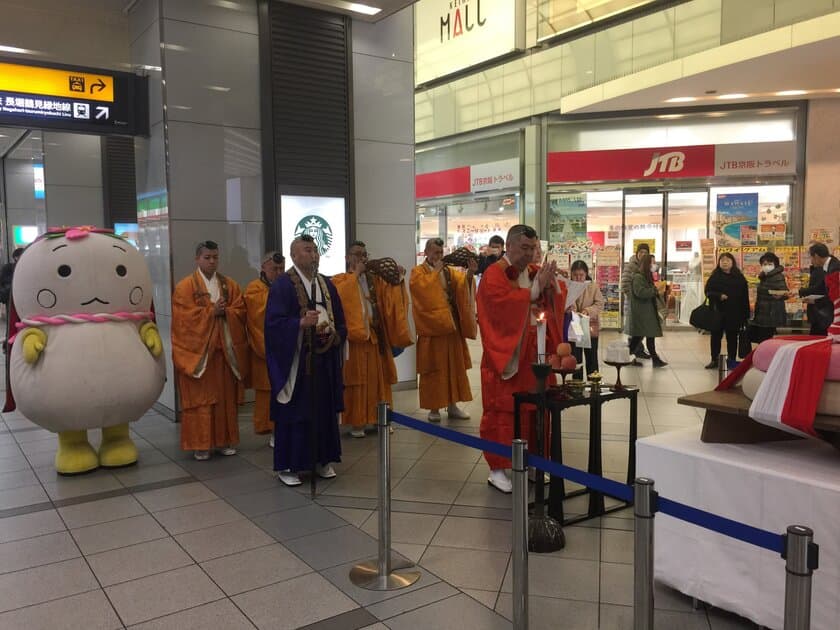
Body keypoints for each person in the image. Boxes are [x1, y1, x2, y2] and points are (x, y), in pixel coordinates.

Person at [477, 224, 568, 493]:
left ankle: (531, 462)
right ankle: (497, 469)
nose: (530, 254)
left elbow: (550, 304)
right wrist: (532, 292)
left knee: (534, 409)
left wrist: (551, 289)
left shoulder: (533, 273)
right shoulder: (494, 274)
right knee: (503, 410)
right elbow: (496, 307)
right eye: (525, 248)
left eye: (534, 248)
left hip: (533, 351)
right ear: (510, 245)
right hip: (507, 354)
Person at [264, 235, 346, 486]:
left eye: (315, 250)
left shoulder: (326, 285)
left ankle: (322, 460)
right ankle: (288, 466)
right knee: (296, 412)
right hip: (297, 363)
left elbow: (341, 321)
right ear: (294, 255)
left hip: (323, 359)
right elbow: (272, 325)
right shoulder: (282, 286)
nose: (313, 254)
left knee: (323, 410)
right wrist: (299, 323)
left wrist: (333, 333)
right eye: (307, 250)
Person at [172, 241, 249, 460]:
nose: (212, 261)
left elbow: (240, 311)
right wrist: (210, 313)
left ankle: (225, 441)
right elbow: (183, 320)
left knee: (224, 400)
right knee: (201, 401)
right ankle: (201, 444)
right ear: (197, 259)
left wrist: (227, 313)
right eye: (207, 257)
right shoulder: (185, 286)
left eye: (215, 257)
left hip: (224, 354)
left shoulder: (229, 284)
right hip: (199, 356)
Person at [332, 241, 412, 438]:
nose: (362, 258)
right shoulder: (340, 280)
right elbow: (340, 297)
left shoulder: (373, 280)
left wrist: (396, 278)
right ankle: (357, 423)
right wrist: (355, 276)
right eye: (357, 254)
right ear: (347, 258)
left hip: (375, 339)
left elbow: (389, 301)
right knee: (356, 383)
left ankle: (379, 419)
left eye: (364, 254)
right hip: (355, 341)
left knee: (379, 382)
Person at [409, 238, 477, 422]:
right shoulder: (418, 272)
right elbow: (420, 291)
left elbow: (461, 286)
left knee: (454, 367)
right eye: (435, 253)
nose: (439, 256)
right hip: (431, 328)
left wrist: (470, 274)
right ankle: (434, 408)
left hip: (450, 325)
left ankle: (453, 405)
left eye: (441, 252)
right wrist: (436, 272)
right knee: (433, 369)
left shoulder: (447, 271)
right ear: (426, 252)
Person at [244, 251, 285, 448]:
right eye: (273, 269)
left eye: (281, 269)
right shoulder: (254, 288)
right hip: (264, 348)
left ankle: (282, 428)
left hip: (285, 348)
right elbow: (256, 315)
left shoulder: (286, 286)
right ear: (263, 268)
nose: (278, 272)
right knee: (266, 391)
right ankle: (269, 429)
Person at [704, 252, 750, 369]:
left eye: (727, 260)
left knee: (732, 337)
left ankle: (732, 360)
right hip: (718, 312)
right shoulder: (714, 277)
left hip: (735, 313)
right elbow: (708, 292)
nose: (724, 262)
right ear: (718, 263)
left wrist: (746, 315)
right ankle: (714, 359)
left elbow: (745, 297)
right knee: (715, 337)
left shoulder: (739, 278)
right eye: (722, 260)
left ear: (732, 262)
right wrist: (719, 295)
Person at [627, 254, 668, 368]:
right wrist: (655, 290)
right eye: (652, 262)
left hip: (647, 311)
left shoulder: (646, 276)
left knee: (646, 336)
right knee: (640, 336)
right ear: (646, 264)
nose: (654, 265)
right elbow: (640, 292)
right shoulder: (638, 277)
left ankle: (654, 359)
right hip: (642, 312)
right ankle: (627, 357)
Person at [569, 260, 604, 378]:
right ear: (571, 274)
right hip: (575, 325)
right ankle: (577, 385)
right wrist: (572, 309)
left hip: (590, 325)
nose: (578, 278)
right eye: (575, 275)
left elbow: (599, 303)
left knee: (592, 356)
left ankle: (594, 384)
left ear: (586, 274)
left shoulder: (593, 287)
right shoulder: (568, 286)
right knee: (576, 357)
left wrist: (587, 311)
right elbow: (565, 302)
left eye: (581, 275)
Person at [799, 242, 840, 336]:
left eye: (811, 258)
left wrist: (815, 302)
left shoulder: (835, 268)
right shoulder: (829, 266)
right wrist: (799, 292)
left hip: (834, 315)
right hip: (829, 313)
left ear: (816, 256)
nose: (811, 261)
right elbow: (821, 286)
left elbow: (835, 296)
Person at [620, 243, 651, 359]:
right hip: (633, 302)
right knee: (634, 328)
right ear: (637, 253)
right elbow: (624, 284)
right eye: (641, 252)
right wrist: (633, 297)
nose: (643, 254)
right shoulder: (631, 266)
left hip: (642, 303)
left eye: (645, 253)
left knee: (639, 328)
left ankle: (637, 350)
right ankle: (633, 352)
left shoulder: (646, 266)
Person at [751, 252, 788, 342]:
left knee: (765, 338)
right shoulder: (764, 276)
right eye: (764, 264)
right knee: (763, 338)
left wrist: (779, 296)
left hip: (771, 312)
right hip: (763, 311)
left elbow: (785, 293)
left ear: (775, 265)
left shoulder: (777, 276)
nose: (767, 266)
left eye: (770, 264)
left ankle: (766, 355)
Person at [0, 248, 24, 313]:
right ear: (16, 257)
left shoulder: (27, 268)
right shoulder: (8, 268)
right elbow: (4, 282)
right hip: (11, 299)